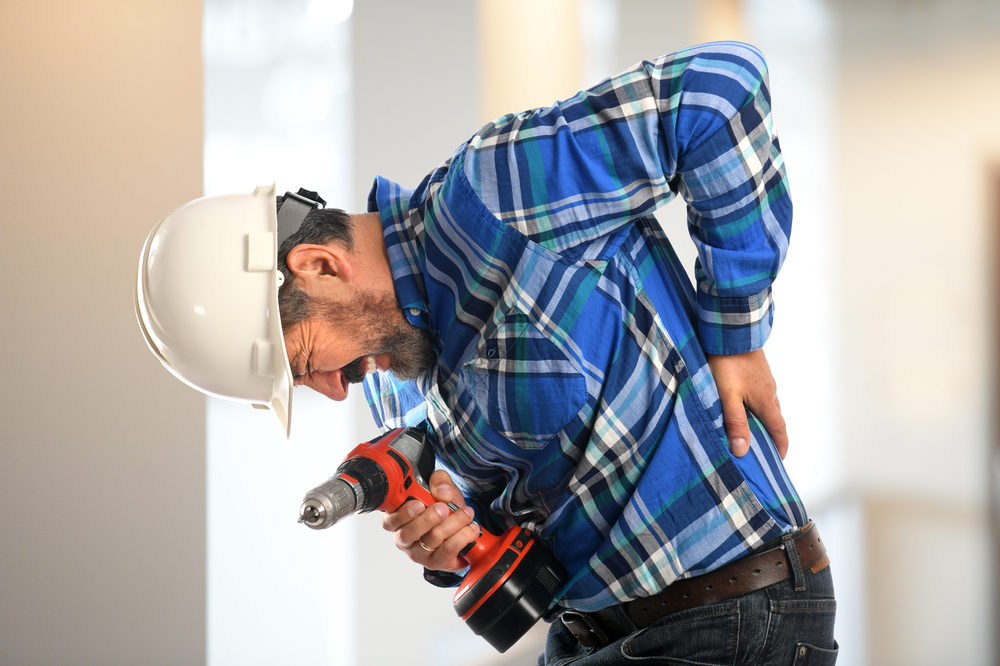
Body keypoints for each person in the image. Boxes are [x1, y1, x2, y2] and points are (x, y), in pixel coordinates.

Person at [138, 41, 837, 664]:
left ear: (321, 266)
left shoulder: (497, 196)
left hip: (727, 615)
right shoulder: (395, 377)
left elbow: (717, 91)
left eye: (303, 360)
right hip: (587, 636)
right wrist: (453, 541)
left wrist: (736, 333)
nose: (331, 391)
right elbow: (518, 526)